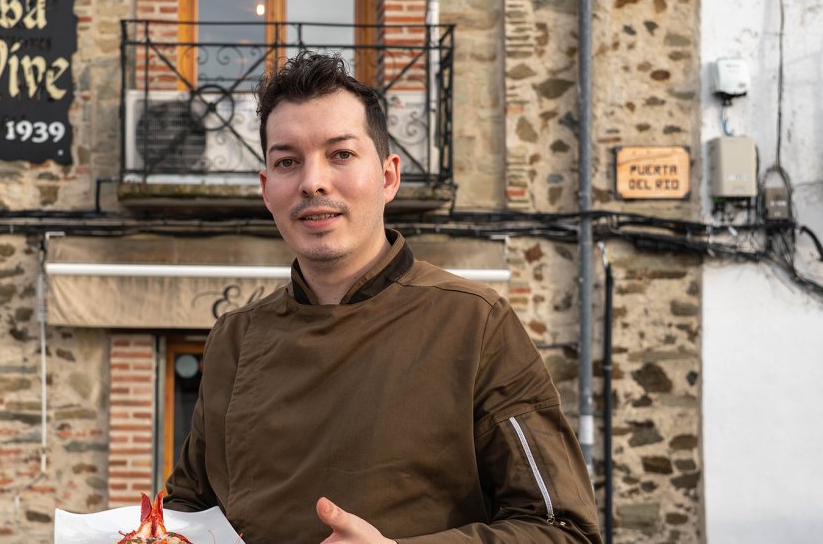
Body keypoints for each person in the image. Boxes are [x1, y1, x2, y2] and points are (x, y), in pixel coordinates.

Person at [164, 52, 602, 543]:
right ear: (268, 191)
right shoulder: (235, 338)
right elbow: (187, 510)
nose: (313, 181)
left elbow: (564, 530)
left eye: (341, 154)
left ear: (389, 176)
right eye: (287, 161)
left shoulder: (474, 324)